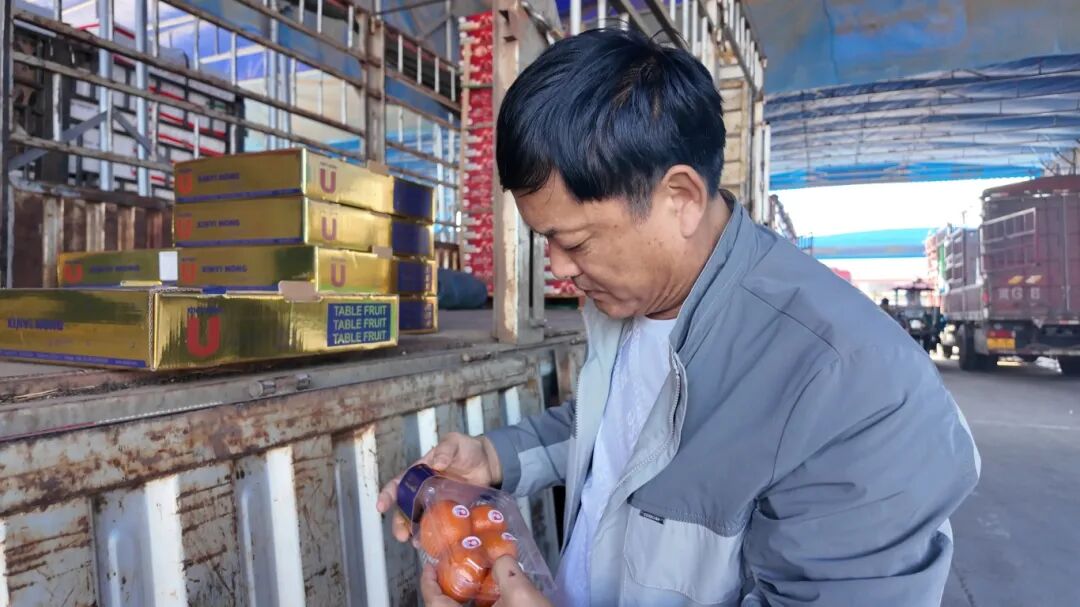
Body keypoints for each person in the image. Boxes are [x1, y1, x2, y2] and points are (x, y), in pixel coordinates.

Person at [377, 28, 979, 606]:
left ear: (681, 198)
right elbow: (619, 432)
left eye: (576, 241)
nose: (559, 267)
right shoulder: (635, 302)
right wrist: (494, 458)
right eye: (546, 241)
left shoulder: (856, 386)